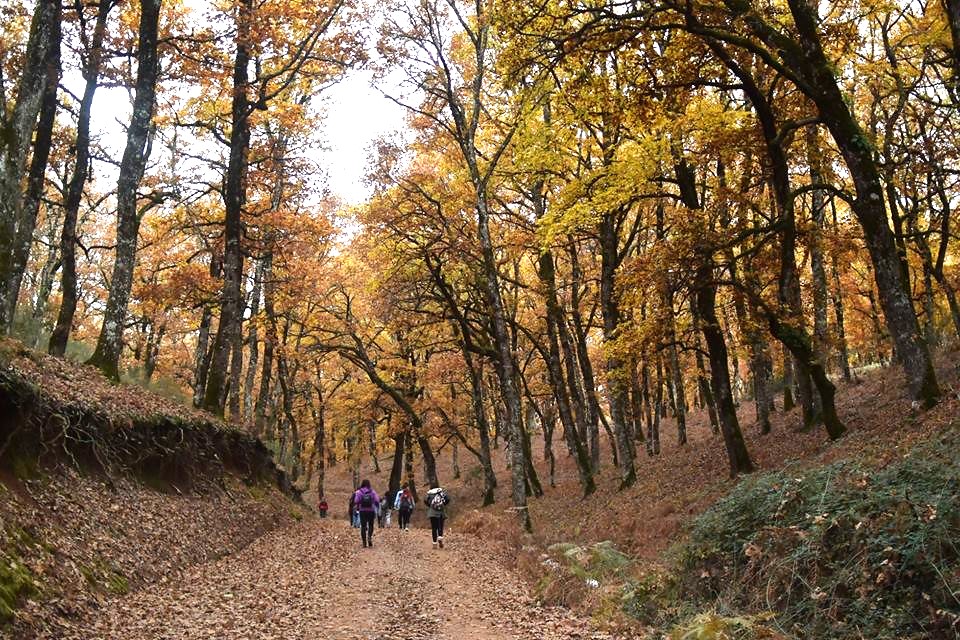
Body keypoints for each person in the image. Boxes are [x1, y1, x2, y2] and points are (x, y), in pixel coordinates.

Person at [353, 479, 380, 548]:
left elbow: (356, 501)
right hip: (371, 510)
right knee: (371, 525)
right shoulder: (372, 492)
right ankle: (369, 537)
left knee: (363, 526)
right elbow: (377, 500)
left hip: (362, 511)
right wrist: (376, 505)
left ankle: (364, 542)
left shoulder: (359, 492)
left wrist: (359, 503)